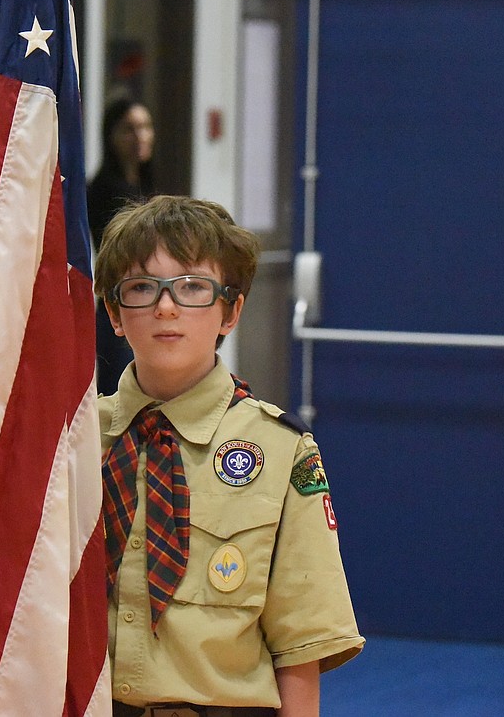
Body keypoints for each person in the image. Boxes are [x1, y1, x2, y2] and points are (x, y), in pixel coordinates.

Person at [94, 195, 364, 717]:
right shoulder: (77, 443)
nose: (166, 307)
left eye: (193, 287)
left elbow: (299, 642)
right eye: (142, 288)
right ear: (114, 312)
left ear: (231, 310)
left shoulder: (280, 451)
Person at [88, 96, 156, 395]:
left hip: (153, 298)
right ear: (111, 136)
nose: (140, 136)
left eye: (145, 127)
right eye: (130, 129)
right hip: (119, 303)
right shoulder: (103, 190)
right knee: (120, 388)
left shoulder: (148, 187)